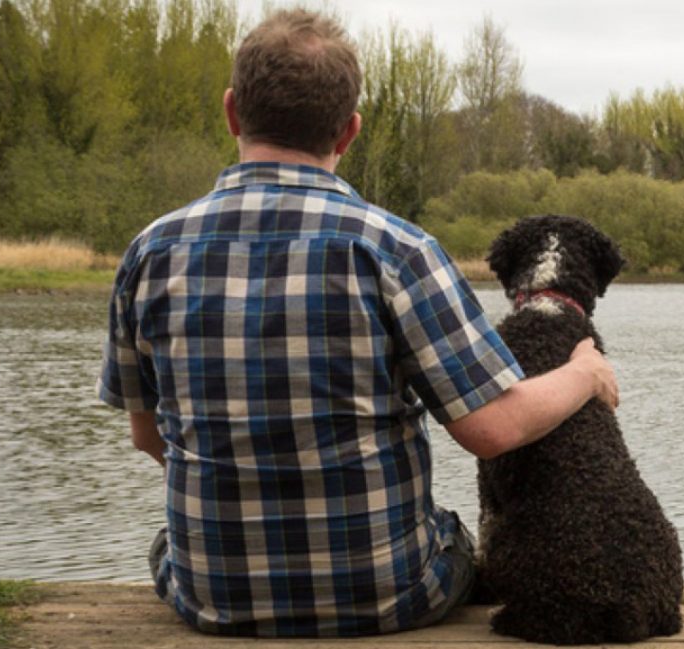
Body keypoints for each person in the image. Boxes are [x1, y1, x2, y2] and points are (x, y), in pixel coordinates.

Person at [96, 9, 618, 637]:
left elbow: (148, 438)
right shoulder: (397, 250)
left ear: (233, 112)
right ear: (348, 131)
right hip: (389, 595)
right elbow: (494, 427)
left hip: (214, 597)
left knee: (166, 544)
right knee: (453, 535)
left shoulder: (150, 251)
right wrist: (584, 373)